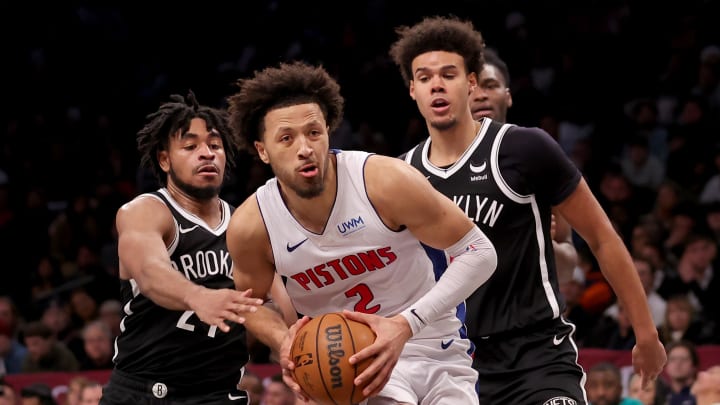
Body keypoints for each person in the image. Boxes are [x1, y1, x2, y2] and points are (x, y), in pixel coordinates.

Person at [390, 15, 667, 403]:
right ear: (413, 90)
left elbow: (602, 238)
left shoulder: (524, 148)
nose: (436, 84)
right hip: (455, 366)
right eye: (424, 77)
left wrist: (646, 331)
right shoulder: (401, 176)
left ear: (470, 83)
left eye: (449, 74)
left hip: (537, 354)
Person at [225, 61, 498, 404]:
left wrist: (404, 325)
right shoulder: (253, 225)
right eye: (286, 138)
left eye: (313, 132)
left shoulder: (383, 181)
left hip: (431, 344)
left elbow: (480, 252)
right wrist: (285, 341)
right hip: (350, 364)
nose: (305, 148)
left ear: (328, 131)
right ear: (262, 150)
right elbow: (249, 302)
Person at [99, 91, 263, 405]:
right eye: (190, 146)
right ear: (164, 159)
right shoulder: (145, 211)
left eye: (215, 145)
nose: (207, 154)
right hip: (144, 393)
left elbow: (271, 301)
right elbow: (149, 272)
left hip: (218, 394)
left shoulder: (246, 224)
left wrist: (291, 346)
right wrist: (197, 296)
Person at [468, 47, 578, 282]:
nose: (480, 95)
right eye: (471, 88)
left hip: (525, 312)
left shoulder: (538, 159)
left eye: (489, 85)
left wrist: (541, 243)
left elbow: (568, 271)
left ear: (507, 95)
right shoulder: (428, 168)